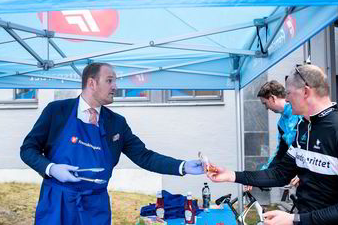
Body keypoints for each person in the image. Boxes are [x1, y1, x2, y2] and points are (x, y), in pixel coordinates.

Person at [20, 62, 204, 225]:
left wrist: (182, 166)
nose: (115, 86)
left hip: (95, 207)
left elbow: (144, 156)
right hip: (57, 203)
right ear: (91, 83)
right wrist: (51, 168)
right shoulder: (57, 111)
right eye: (109, 81)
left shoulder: (117, 123)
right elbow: (27, 149)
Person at [207, 64, 338, 225]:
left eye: (289, 93)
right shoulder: (303, 127)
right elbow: (279, 174)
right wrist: (231, 175)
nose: (285, 98)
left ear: (306, 92)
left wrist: (294, 220)